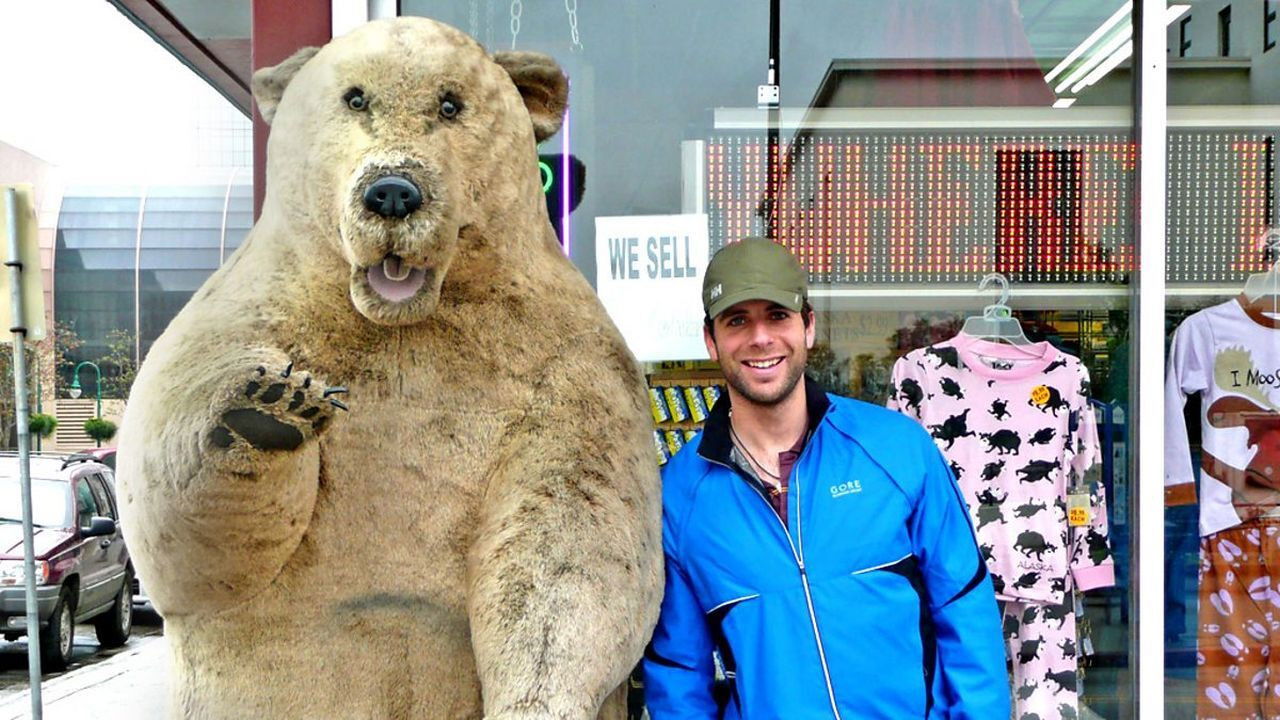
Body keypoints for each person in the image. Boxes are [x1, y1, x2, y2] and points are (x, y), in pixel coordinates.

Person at [643, 237, 1010, 719]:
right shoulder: (681, 497)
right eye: (737, 321)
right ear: (711, 339)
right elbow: (677, 674)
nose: (760, 338)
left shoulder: (896, 449)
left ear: (808, 327)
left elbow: (966, 611)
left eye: (777, 316)